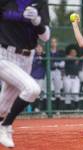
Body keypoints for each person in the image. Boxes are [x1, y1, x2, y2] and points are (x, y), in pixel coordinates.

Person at [0, 0, 50, 148]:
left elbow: (46, 37)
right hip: (4, 54)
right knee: (32, 89)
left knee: (4, 105)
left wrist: (37, 21)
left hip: (27, 58)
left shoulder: (40, 2)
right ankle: (5, 126)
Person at [63, 44, 80, 109]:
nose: (73, 53)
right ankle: (68, 109)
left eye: (74, 53)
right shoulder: (67, 58)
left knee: (75, 93)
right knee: (67, 93)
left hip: (75, 78)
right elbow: (67, 58)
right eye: (72, 52)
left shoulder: (78, 59)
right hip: (68, 77)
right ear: (70, 53)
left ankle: (77, 108)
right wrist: (73, 58)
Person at [31, 44, 46, 112]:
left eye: (40, 47)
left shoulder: (45, 56)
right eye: (38, 47)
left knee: (41, 93)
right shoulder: (33, 55)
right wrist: (37, 58)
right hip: (33, 76)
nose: (39, 48)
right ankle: (35, 108)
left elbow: (49, 64)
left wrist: (42, 57)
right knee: (34, 92)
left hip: (42, 77)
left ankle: (39, 108)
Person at [50, 37, 65, 109]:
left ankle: (58, 109)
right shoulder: (47, 52)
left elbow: (63, 63)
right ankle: (46, 110)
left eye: (54, 42)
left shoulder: (60, 52)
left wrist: (56, 64)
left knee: (57, 90)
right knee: (47, 90)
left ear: (56, 43)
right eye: (52, 42)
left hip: (57, 72)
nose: (53, 43)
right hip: (49, 71)